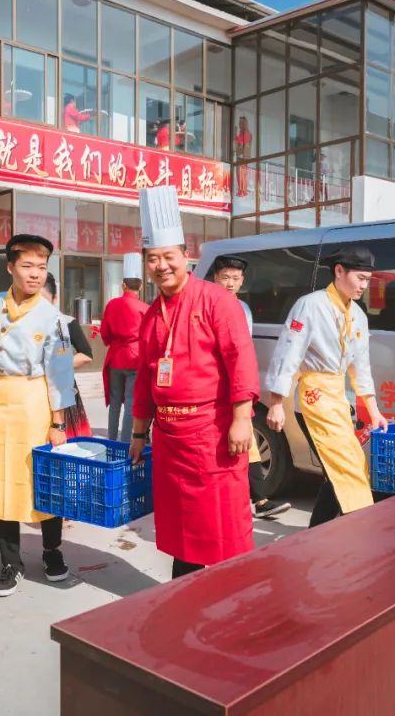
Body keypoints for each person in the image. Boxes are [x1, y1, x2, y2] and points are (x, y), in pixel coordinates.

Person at [129, 186, 260, 579]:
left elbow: (240, 359)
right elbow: (144, 379)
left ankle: (229, 596)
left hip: (213, 432)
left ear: (185, 256)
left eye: (168, 257)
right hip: (169, 438)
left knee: (222, 524)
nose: (162, 266)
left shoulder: (217, 300)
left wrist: (242, 419)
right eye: (153, 259)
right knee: (180, 526)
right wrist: (138, 434)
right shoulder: (151, 315)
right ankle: (182, 592)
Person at [0, 233, 77, 597]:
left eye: (42, 268)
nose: (35, 275)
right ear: (10, 267)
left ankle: (52, 552)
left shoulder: (53, 317)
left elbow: (59, 374)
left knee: (44, 480)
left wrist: (58, 423)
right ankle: (10, 563)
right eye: (27, 266)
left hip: (34, 402)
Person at [264, 246, 389, 528]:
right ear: (339, 271)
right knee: (345, 468)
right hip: (314, 396)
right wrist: (275, 402)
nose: (363, 286)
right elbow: (289, 353)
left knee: (344, 468)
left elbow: (361, 367)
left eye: (368, 280)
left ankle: (319, 532)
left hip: (337, 397)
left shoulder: (358, 315)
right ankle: (355, 527)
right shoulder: (311, 305)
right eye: (360, 278)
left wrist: (373, 409)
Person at [209, 254, 292, 520]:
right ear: (214, 278)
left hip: (236, 383)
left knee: (247, 439)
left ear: (242, 281)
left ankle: (260, 499)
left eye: (235, 279)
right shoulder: (206, 304)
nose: (231, 284)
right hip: (212, 384)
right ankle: (251, 499)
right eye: (225, 278)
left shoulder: (243, 308)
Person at [99, 252, 148, 442]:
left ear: (124, 285)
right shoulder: (145, 308)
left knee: (114, 402)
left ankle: (112, 438)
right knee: (130, 402)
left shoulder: (113, 304)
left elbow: (105, 333)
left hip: (116, 357)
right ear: (141, 286)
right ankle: (126, 441)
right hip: (135, 358)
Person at [42, 272, 94, 438]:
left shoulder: (66, 321)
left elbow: (86, 354)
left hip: (62, 390)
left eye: (42, 298)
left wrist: (60, 364)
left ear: (54, 298)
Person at [234, 117, 253, 196]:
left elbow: (241, 141)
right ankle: (241, 190)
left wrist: (235, 134)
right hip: (241, 156)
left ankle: (242, 190)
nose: (239, 124)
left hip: (243, 156)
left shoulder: (246, 132)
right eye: (239, 122)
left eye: (241, 122)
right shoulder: (243, 132)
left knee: (241, 173)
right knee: (240, 173)